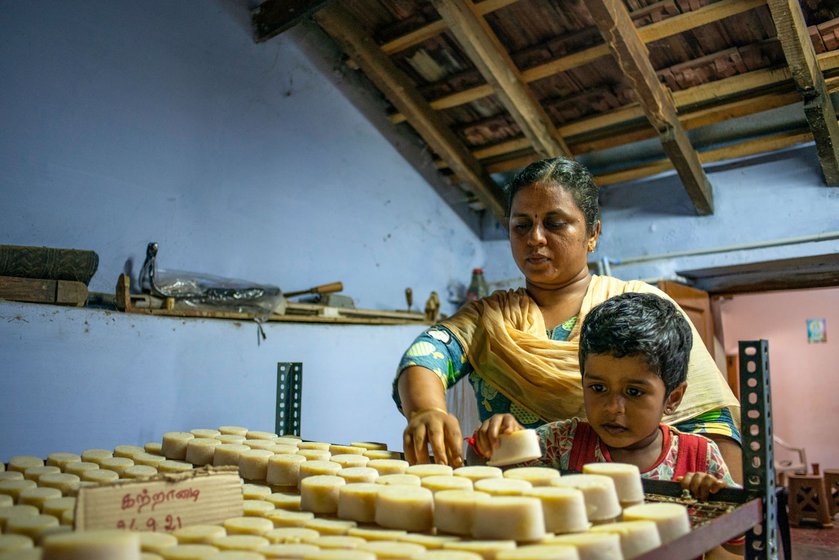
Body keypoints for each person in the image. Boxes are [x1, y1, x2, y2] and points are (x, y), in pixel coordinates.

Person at [393, 156, 741, 482]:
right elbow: (427, 355)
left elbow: (708, 420)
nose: (536, 238)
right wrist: (427, 411)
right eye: (521, 225)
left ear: (592, 233)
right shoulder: (489, 319)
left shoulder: (639, 307)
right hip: (517, 506)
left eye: (555, 223)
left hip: (630, 507)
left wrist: (717, 505)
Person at [473, 292, 735, 500]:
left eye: (634, 392)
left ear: (673, 398)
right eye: (598, 388)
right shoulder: (561, 443)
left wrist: (714, 501)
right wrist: (495, 442)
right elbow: (486, 477)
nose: (613, 407)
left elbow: (740, 543)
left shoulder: (699, 458)